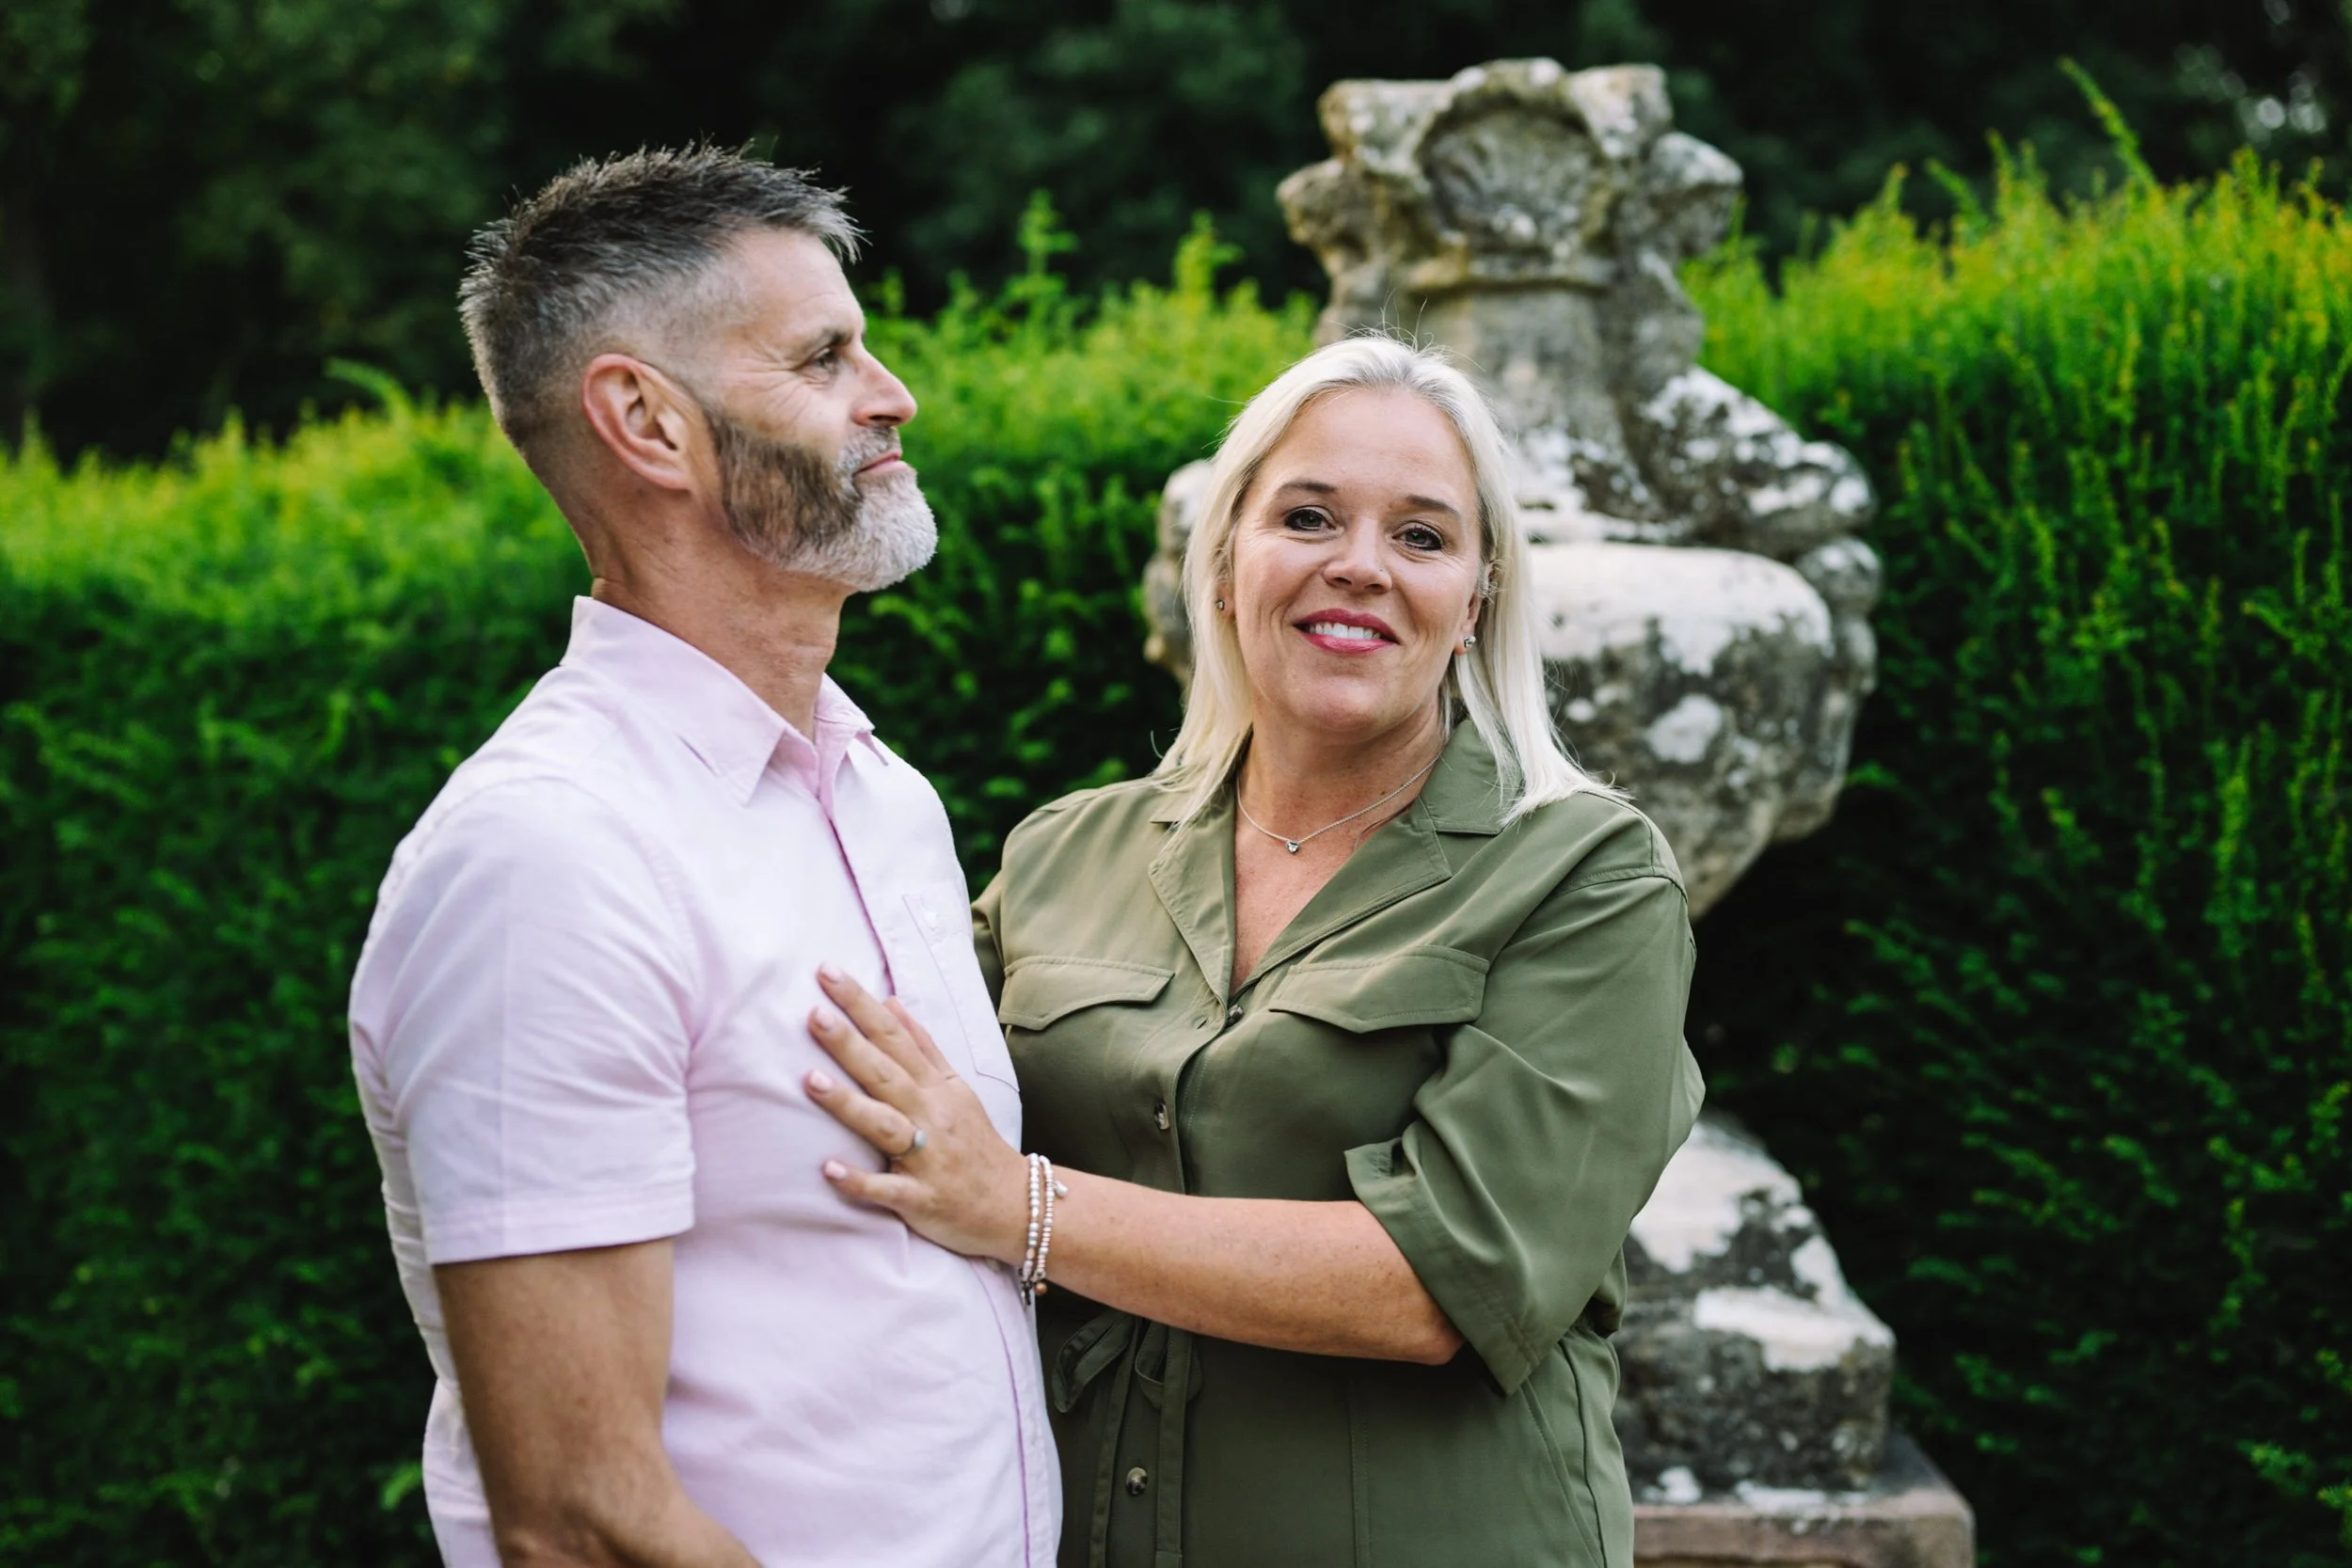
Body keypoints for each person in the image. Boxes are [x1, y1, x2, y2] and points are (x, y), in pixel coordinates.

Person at [801, 335, 1708, 1568]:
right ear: (1226, 563)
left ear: (1478, 599)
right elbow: (873, 1118)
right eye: (1309, 516)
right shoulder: (1064, 852)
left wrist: (1022, 1207)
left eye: (1422, 536)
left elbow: (1442, 1283)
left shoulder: (1587, 875)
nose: (1361, 565)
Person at [346, 148, 1056, 1568]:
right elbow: (582, 1520)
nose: (894, 394)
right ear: (646, 423)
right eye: (824, 356)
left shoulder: (887, 797)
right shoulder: (546, 858)